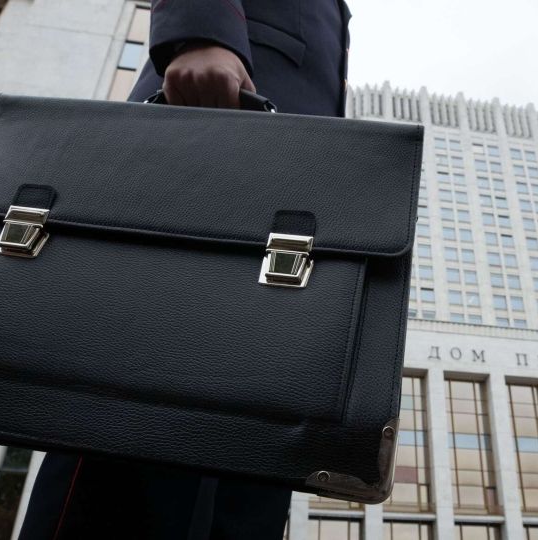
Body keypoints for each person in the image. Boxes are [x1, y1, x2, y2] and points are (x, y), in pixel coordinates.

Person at [18, 1, 350, 538]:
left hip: (280, 198)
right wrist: (200, 34)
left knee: (248, 453)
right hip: (207, 132)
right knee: (136, 426)